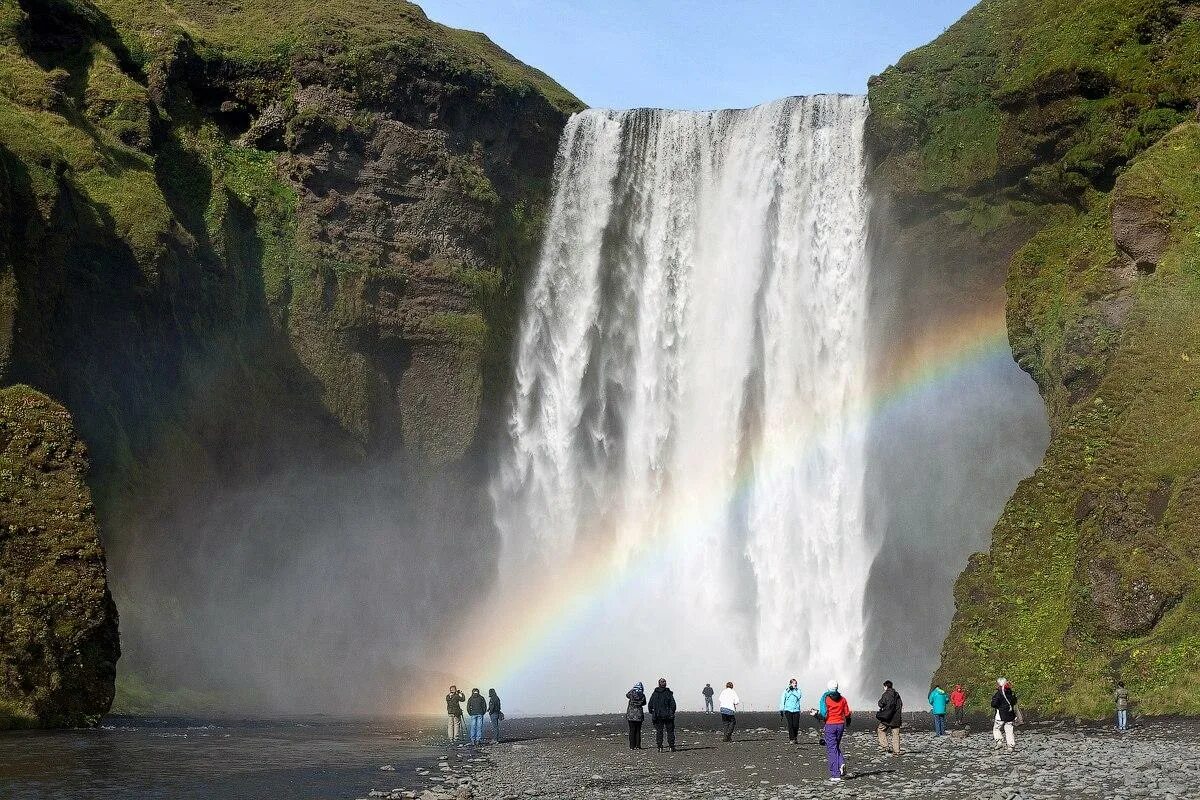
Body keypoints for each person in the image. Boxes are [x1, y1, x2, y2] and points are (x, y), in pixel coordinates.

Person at [819, 681, 851, 782]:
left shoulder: (826, 699)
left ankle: (835, 774)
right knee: (836, 746)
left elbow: (823, 714)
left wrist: (815, 715)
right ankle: (841, 763)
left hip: (830, 725)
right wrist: (848, 722)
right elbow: (847, 713)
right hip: (840, 724)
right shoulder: (843, 699)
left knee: (831, 749)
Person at [648, 678, 678, 752]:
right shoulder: (668, 693)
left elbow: (650, 705)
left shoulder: (655, 694)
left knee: (659, 732)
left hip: (658, 716)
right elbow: (673, 705)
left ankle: (660, 747)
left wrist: (653, 712)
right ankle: (671, 746)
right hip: (668, 716)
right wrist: (671, 712)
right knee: (670, 731)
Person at [990, 678, 1018, 751]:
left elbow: (994, 704)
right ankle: (1010, 746)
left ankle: (999, 742)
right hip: (1010, 714)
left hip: (1000, 714)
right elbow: (1014, 702)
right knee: (1009, 729)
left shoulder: (999, 693)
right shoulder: (1011, 692)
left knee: (996, 728)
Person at [876, 679, 902, 755]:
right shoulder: (897, 694)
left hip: (887, 718)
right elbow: (900, 705)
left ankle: (885, 746)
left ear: (886, 686)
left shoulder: (885, 694)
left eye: (884, 686)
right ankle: (896, 751)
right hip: (896, 718)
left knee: (880, 729)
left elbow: (880, 704)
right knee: (895, 734)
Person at [779, 678, 803, 744]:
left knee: (796, 725)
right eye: (793, 683)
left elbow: (799, 696)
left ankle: (795, 737)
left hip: (796, 710)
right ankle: (791, 739)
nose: (795, 684)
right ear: (790, 684)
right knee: (790, 724)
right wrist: (781, 709)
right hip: (788, 710)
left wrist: (793, 691)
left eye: (795, 683)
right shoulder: (786, 691)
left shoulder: (798, 691)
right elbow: (782, 699)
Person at [626, 682, 647, 749]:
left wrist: (632, 690)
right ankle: (638, 745)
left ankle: (632, 746)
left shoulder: (631, 694)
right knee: (638, 730)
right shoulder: (642, 695)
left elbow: (627, 695)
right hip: (639, 715)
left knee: (632, 730)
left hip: (631, 715)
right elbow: (644, 703)